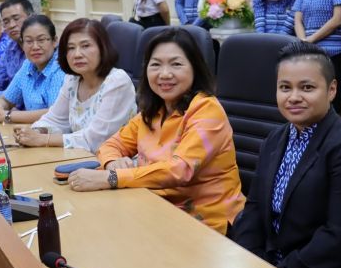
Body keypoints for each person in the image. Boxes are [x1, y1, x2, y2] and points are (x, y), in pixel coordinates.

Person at [231, 42, 341, 268]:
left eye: (307, 87)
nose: (294, 96)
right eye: (285, 87)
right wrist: (251, 260)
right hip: (275, 267)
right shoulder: (275, 139)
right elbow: (253, 209)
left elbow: (339, 235)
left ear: (332, 89)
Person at [67, 28, 244, 235]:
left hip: (207, 225)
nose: (165, 74)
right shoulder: (154, 110)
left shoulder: (207, 110)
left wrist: (112, 177)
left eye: (176, 64)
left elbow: (179, 170)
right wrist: (112, 162)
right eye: (156, 65)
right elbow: (111, 145)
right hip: (154, 211)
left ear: (194, 68)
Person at [14, 18, 136, 152]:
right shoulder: (73, 79)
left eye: (85, 46)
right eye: (71, 48)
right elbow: (55, 119)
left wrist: (43, 139)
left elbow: (97, 139)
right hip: (78, 157)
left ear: (102, 48)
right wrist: (34, 132)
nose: (77, 54)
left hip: (115, 162)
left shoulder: (117, 81)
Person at [0, 14, 65, 125]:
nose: (35, 47)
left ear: (54, 41)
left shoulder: (60, 67)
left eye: (41, 40)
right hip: (31, 133)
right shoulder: (27, 65)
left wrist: (7, 116)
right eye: (29, 41)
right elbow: (6, 99)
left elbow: (54, 113)